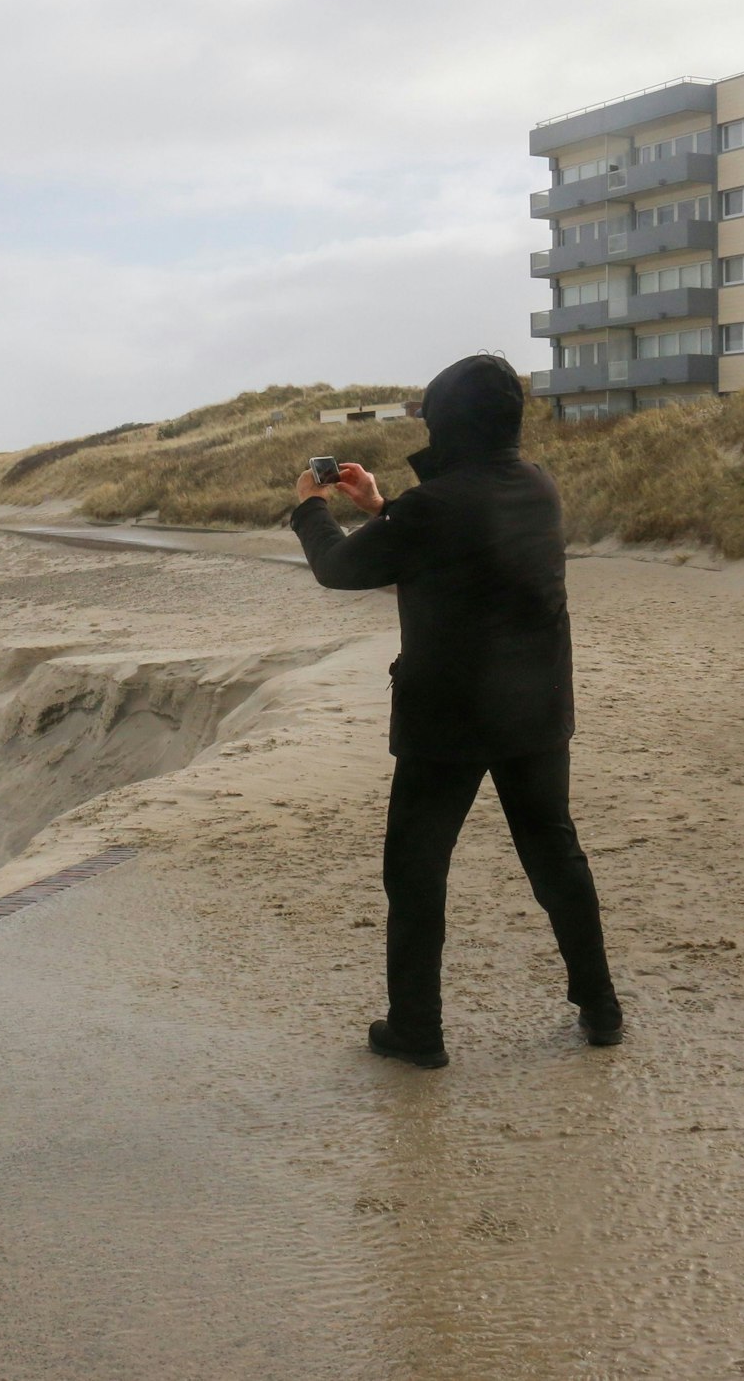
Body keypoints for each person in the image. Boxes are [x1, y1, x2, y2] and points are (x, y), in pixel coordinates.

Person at [289, 353, 621, 1068]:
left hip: (449, 719)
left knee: (415, 871)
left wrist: (309, 506)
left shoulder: (437, 506)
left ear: (451, 421)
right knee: (555, 857)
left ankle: (417, 1030)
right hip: (535, 709)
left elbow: (340, 569)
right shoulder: (537, 485)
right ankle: (601, 1008)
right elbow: (459, 539)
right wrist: (381, 506)